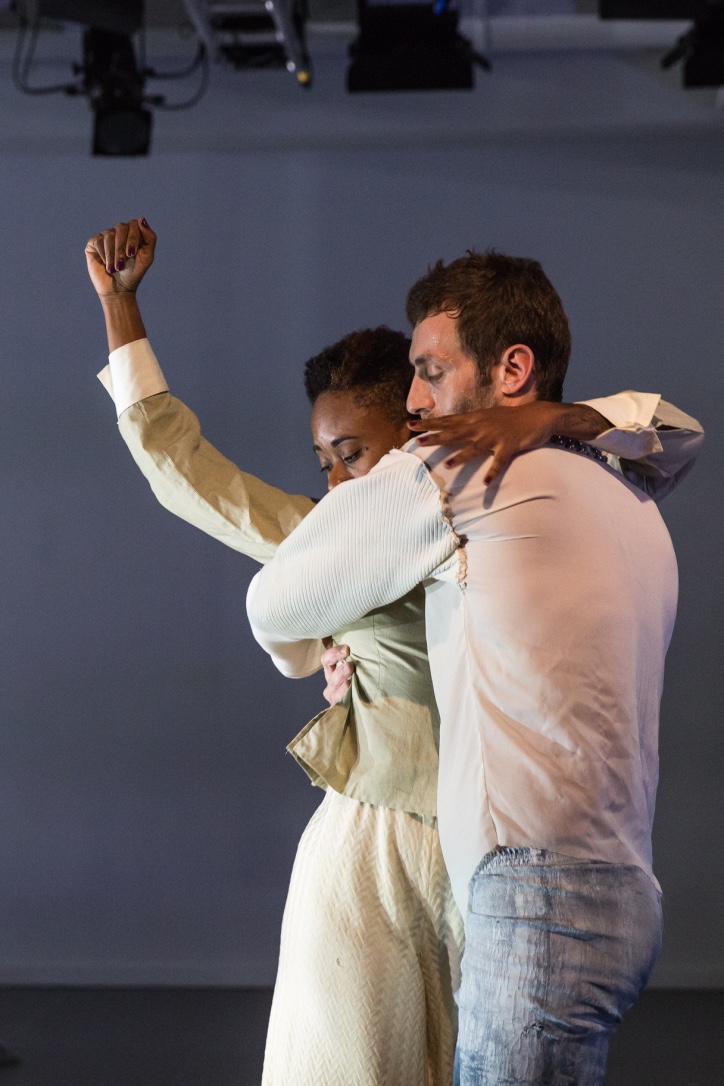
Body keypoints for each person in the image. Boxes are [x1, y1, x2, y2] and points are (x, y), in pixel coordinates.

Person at [85, 223, 702, 1086]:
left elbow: (671, 432)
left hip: (494, 864)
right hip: (400, 849)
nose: (344, 482)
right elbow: (188, 473)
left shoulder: (471, 480)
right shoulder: (352, 529)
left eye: (359, 453)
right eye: (325, 462)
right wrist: (317, 643)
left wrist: (557, 418)